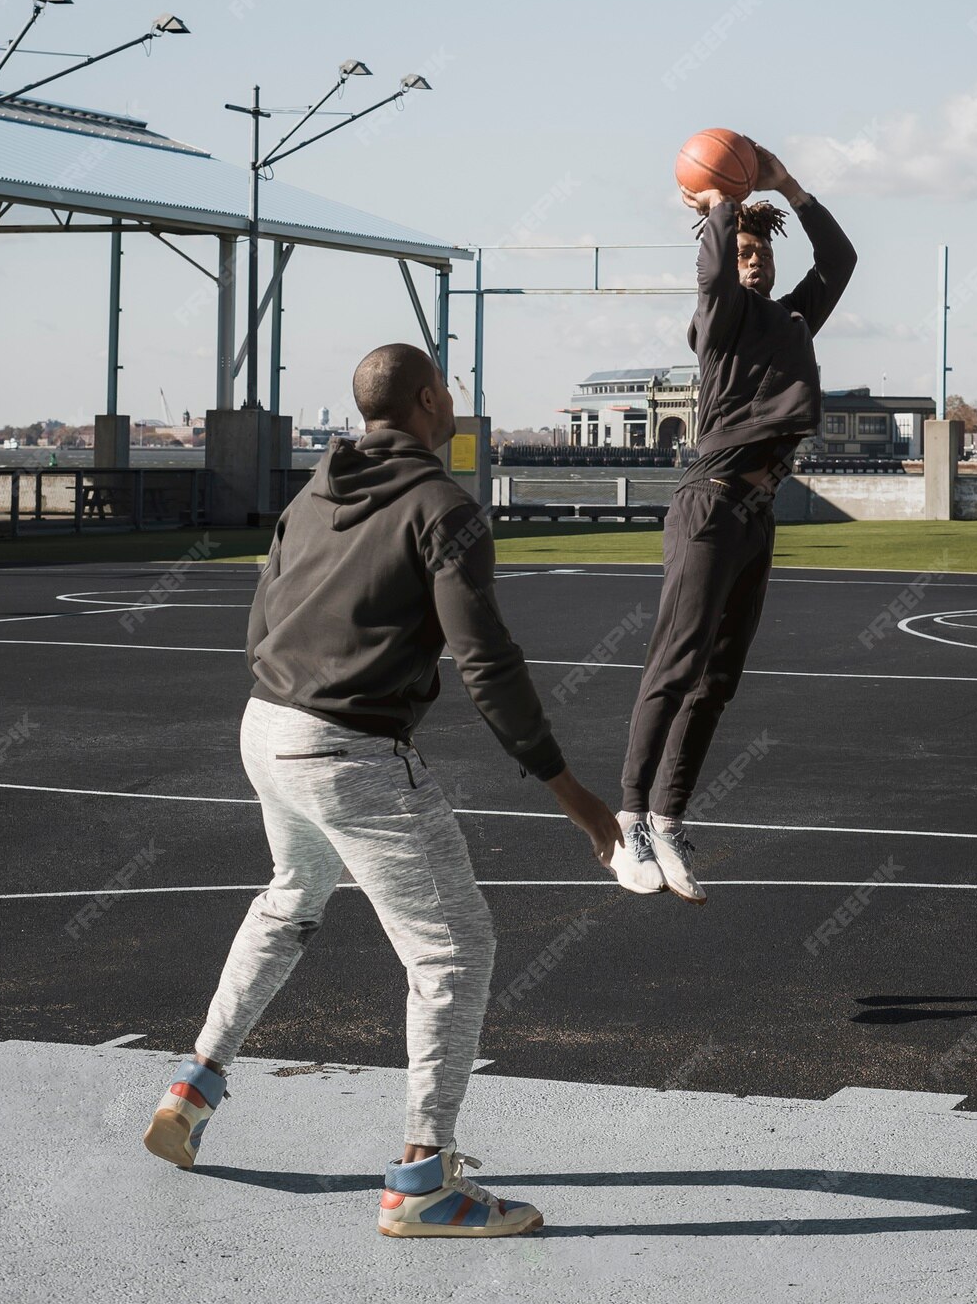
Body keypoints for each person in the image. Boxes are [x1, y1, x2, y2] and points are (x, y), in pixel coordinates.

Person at [143, 343, 620, 1239]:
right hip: (346, 751)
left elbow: (260, 620)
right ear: (430, 401)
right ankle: (423, 1183)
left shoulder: (308, 493)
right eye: (449, 394)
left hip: (265, 724)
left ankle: (194, 1087)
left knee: (289, 903)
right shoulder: (444, 507)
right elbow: (486, 659)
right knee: (452, 953)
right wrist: (572, 792)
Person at [609, 142, 856, 902]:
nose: (751, 262)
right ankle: (628, 825)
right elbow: (712, 272)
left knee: (718, 678)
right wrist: (719, 201)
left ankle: (669, 816)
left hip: (754, 512)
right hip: (709, 503)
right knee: (674, 666)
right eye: (742, 251)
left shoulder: (790, 317)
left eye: (759, 253)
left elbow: (840, 259)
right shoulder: (718, 317)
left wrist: (785, 185)